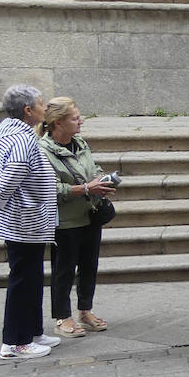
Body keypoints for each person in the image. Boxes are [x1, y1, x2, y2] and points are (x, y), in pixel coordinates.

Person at [0, 86, 60, 360]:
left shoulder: (11, 134)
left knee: (31, 276)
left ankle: (33, 332)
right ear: (28, 110)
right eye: (40, 103)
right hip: (25, 220)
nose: (45, 107)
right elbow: (12, 174)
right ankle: (15, 343)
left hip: (27, 220)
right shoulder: (21, 139)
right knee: (24, 279)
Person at [39, 97, 115, 338]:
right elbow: (49, 189)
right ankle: (62, 317)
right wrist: (85, 189)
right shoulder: (43, 151)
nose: (80, 121)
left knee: (89, 266)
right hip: (66, 221)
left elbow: (93, 168)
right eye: (74, 118)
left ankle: (85, 311)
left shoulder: (80, 143)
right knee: (64, 269)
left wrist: (102, 179)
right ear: (58, 123)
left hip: (90, 215)